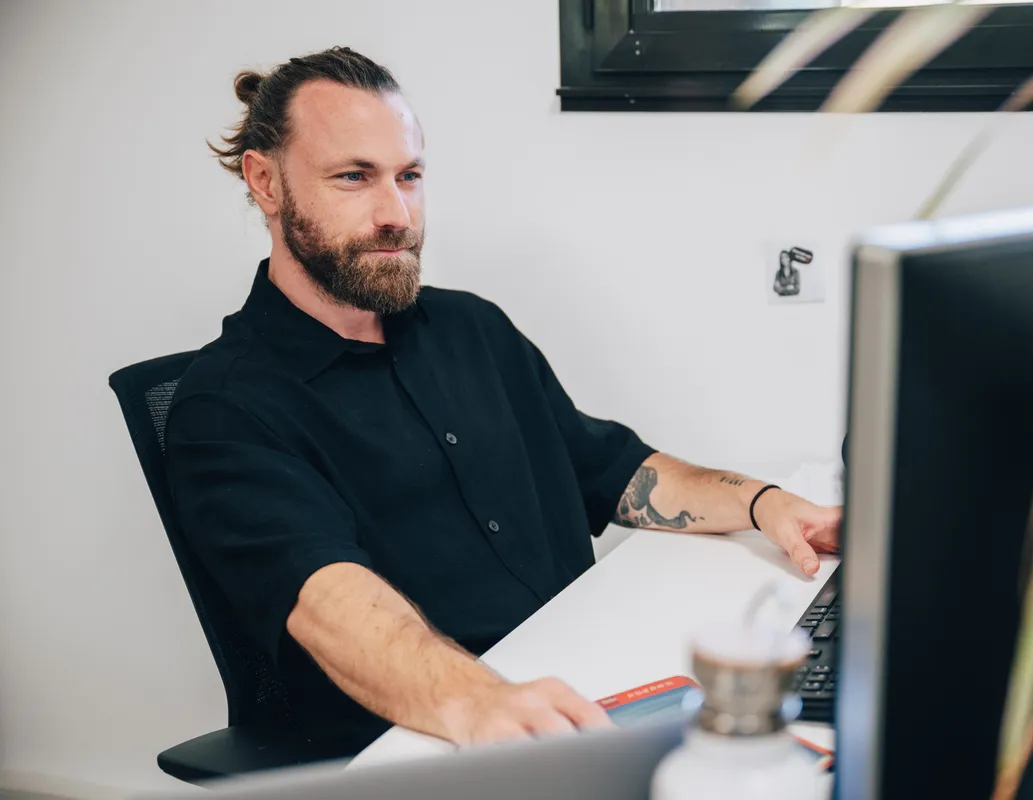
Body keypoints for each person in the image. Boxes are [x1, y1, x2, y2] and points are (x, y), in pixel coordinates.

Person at [164, 46, 842, 757]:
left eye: (409, 175)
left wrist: (768, 504)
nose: (396, 213)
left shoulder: (471, 328)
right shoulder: (226, 408)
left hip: (578, 681)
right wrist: (481, 701)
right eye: (354, 177)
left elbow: (613, 471)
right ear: (265, 182)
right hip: (430, 743)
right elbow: (331, 603)